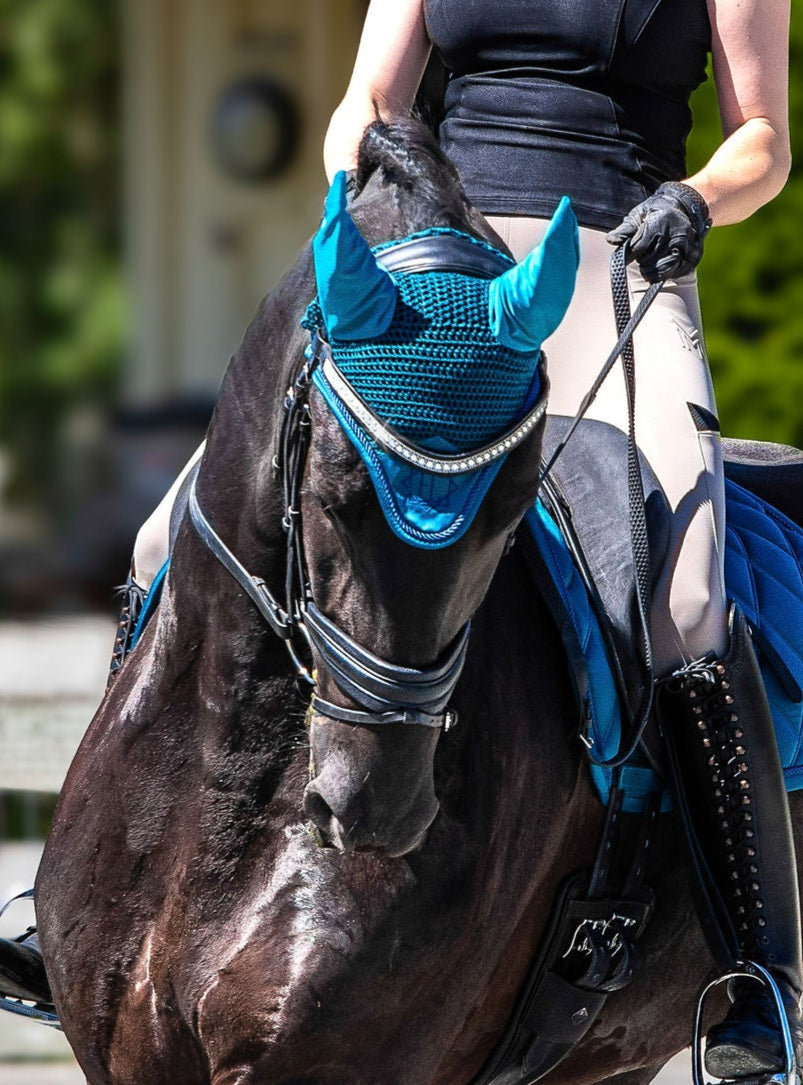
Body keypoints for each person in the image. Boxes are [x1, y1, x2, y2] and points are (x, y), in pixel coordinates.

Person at [1, 1, 798, 1077]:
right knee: (160, 541)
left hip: (609, 268)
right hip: (432, 271)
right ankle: (101, 879)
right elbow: (368, 101)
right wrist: (371, 208)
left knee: (688, 601)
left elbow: (762, 143)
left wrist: (692, 201)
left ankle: (755, 962)